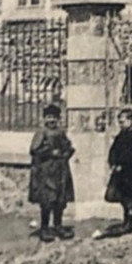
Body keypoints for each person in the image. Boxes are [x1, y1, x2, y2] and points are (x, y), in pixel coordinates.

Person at [96, 108, 132, 238]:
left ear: (131, 120)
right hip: (121, 171)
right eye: (119, 122)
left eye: (123, 121)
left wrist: (123, 164)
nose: (121, 124)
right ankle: (126, 218)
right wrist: (113, 163)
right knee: (121, 195)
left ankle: (129, 222)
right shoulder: (122, 134)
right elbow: (113, 150)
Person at [28, 103, 76, 242]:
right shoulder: (41, 133)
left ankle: (58, 225)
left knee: (60, 200)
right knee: (47, 201)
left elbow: (68, 146)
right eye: (48, 117)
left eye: (54, 117)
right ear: (44, 119)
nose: (51, 120)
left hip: (60, 171)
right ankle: (44, 228)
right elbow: (34, 150)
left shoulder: (60, 132)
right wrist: (49, 152)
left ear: (58, 118)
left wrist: (66, 153)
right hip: (46, 172)